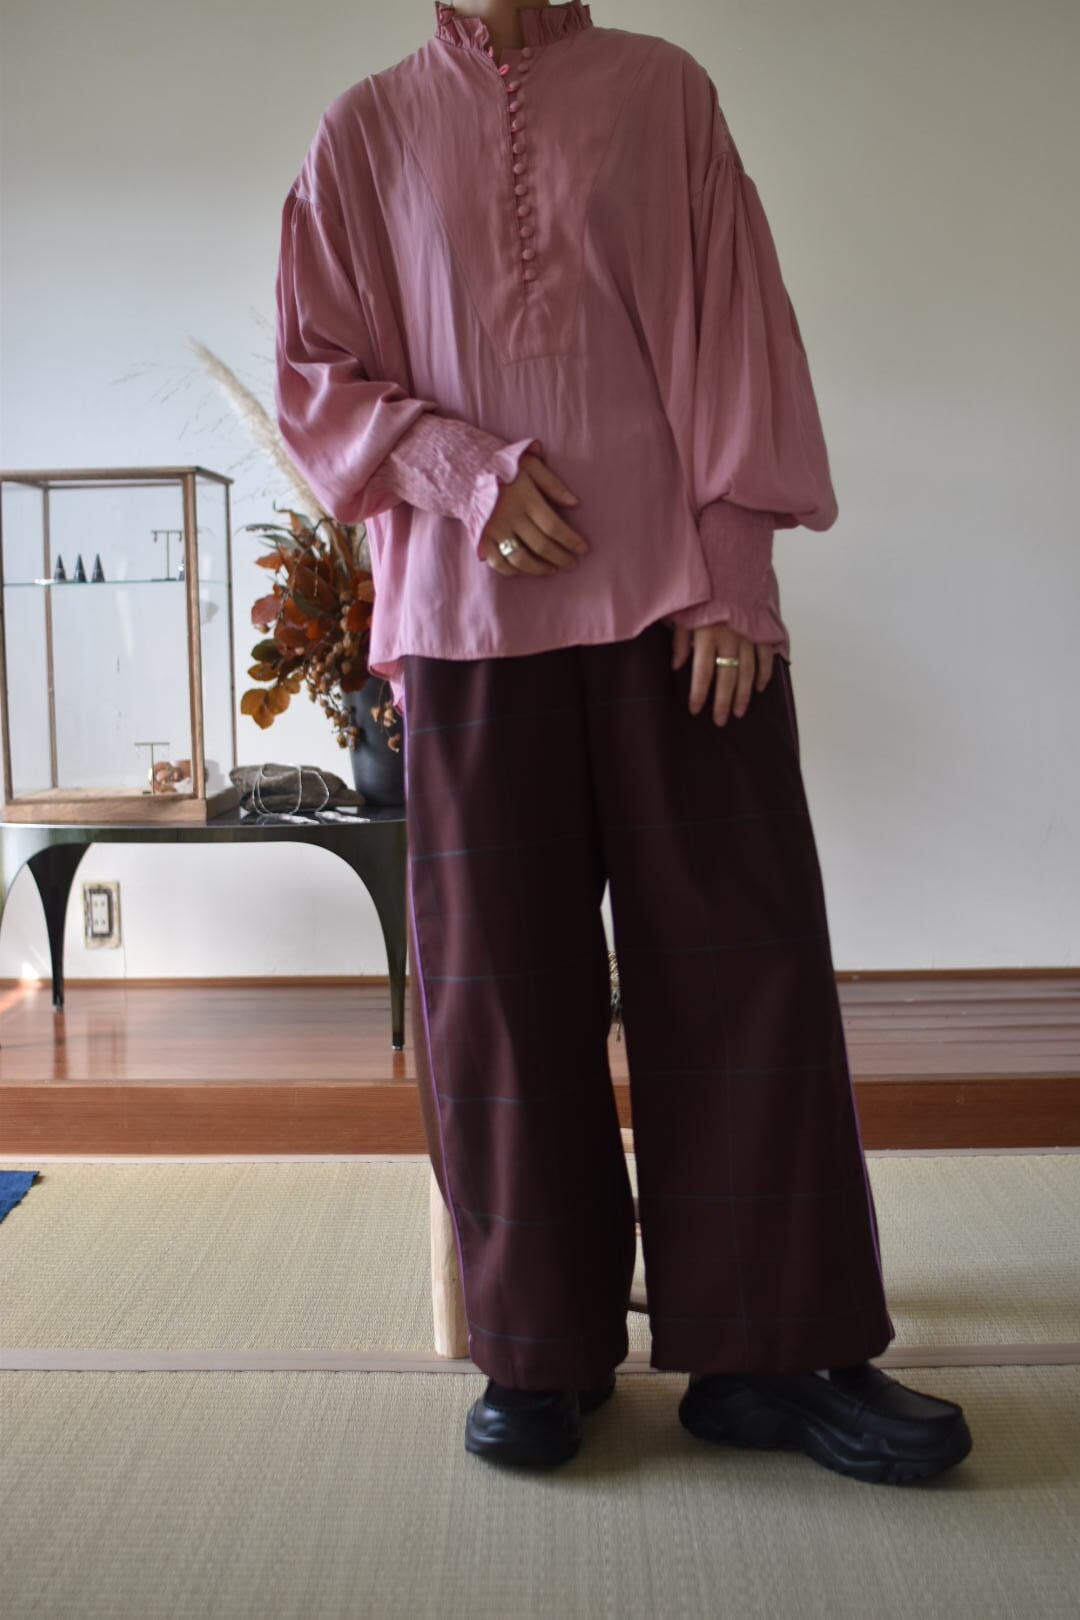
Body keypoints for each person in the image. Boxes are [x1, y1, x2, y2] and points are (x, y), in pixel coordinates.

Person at [274, 0, 973, 1481]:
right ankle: (543, 1352)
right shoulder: (363, 132)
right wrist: (460, 470)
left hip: (677, 606)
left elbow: (737, 329)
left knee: (744, 968)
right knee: (500, 993)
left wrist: (736, 573)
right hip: (467, 621)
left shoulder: (664, 93)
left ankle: (771, 1356)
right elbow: (315, 373)